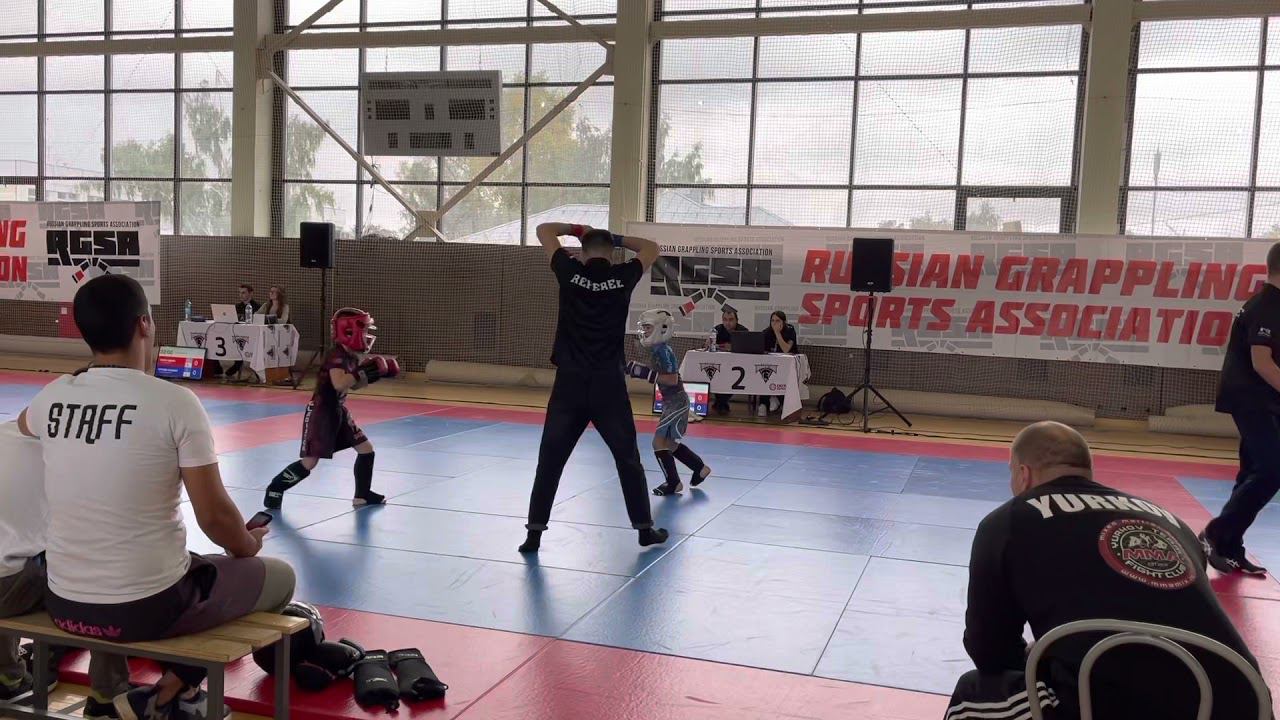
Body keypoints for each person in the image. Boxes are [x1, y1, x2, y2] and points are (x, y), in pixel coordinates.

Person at [17, 274, 297, 720]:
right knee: (279, 577)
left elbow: (22, 427)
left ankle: (107, 697)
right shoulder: (174, 402)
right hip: (146, 609)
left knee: (118, 557)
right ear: (144, 324)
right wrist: (247, 545)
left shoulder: (52, 397)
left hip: (64, 603)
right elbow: (214, 517)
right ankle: (168, 693)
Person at [947, 421, 1265, 720]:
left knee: (973, 693)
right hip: (1244, 701)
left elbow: (989, 651)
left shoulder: (1009, 520)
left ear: (1023, 473)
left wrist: (1041, 660)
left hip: (1111, 706)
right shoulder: (1170, 521)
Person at [519, 223, 670, 553]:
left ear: (582, 251)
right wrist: (616, 238)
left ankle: (534, 534)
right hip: (608, 386)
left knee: (550, 460)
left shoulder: (569, 272)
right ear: (612, 253)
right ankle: (644, 529)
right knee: (627, 459)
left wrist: (577, 229)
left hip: (569, 385)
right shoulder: (623, 276)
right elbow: (651, 247)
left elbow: (543, 230)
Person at [0, 421, 130, 719]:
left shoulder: (7, 432)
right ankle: (108, 696)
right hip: (7, 589)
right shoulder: (74, 453)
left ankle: (7, 675)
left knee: (14, 546)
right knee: (103, 569)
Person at [264, 308, 399, 510]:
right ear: (349, 331)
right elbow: (339, 383)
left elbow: (353, 385)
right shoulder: (336, 356)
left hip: (338, 410)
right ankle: (275, 488)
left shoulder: (350, 356)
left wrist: (373, 375)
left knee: (366, 449)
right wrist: (362, 372)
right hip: (322, 412)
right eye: (363, 331)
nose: (366, 335)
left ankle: (362, 495)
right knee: (310, 462)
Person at [1200, 241, 1280, 576]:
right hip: (1251, 399)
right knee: (1271, 469)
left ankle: (1230, 545)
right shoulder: (1267, 306)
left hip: (1265, 400)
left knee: (1253, 471)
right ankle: (1216, 534)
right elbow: (1262, 363)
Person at [629, 309, 712, 496]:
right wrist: (638, 370)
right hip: (673, 402)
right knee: (669, 443)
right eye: (644, 327)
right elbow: (661, 374)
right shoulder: (658, 349)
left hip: (676, 402)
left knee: (658, 443)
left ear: (662, 328)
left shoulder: (663, 351)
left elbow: (672, 379)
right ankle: (700, 468)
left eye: (648, 327)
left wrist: (645, 374)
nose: (645, 331)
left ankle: (673, 482)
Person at [758, 311, 798, 416]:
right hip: (771, 363)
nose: (774, 323)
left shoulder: (790, 331)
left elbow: (786, 349)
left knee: (781, 375)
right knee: (763, 373)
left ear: (784, 322)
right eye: (772, 321)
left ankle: (777, 399)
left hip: (788, 365)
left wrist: (777, 333)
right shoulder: (766, 332)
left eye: (777, 321)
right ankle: (763, 403)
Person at [711, 308, 749, 414]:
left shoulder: (743, 331)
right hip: (720, 364)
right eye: (725, 320)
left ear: (737, 320)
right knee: (716, 374)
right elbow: (709, 346)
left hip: (738, 365)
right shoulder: (717, 330)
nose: (728, 323)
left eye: (731, 320)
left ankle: (720, 403)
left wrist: (733, 347)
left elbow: (749, 348)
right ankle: (721, 403)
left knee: (730, 376)